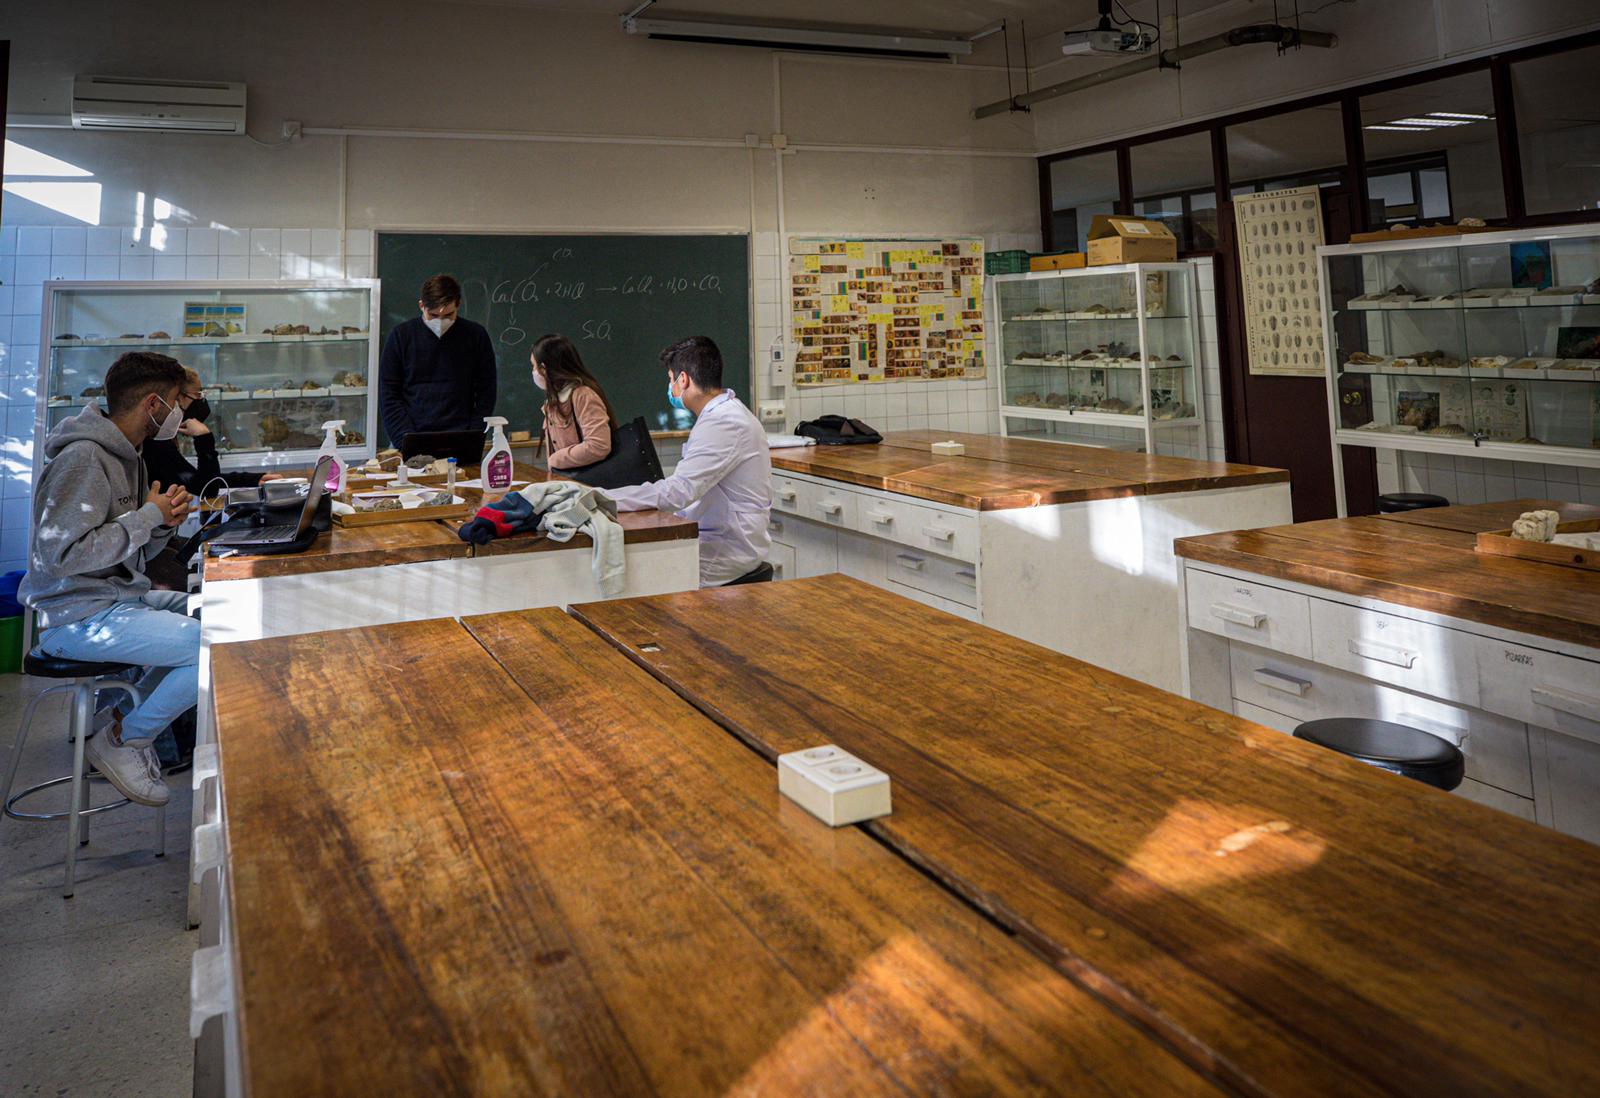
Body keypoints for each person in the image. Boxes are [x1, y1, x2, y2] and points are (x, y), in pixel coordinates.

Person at [19, 352, 200, 807]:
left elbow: (125, 554)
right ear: (154, 404)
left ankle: (120, 721)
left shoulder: (129, 456)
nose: (184, 412)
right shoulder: (84, 458)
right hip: (75, 616)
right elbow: (59, 556)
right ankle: (126, 741)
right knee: (208, 647)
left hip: (114, 598)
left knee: (212, 614)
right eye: (179, 401)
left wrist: (161, 524)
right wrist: (144, 518)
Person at [608, 336, 772, 587]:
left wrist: (603, 499)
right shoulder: (722, 415)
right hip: (721, 541)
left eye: (670, 380)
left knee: (633, 580)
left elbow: (678, 492)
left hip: (724, 555)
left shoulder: (724, 422)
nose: (670, 387)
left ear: (682, 379)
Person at [379, 273, 498, 445]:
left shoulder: (475, 336)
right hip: (411, 436)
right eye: (433, 316)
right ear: (421, 306)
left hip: (462, 436)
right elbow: (388, 393)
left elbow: (486, 390)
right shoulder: (400, 336)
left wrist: (473, 434)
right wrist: (405, 440)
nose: (441, 321)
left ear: (458, 305)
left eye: (449, 315)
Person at [144, 367, 284, 496]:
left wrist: (252, 479)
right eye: (198, 395)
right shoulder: (154, 443)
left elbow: (200, 479)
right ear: (178, 399)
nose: (201, 401)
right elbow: (207, 488)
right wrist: (203, 438)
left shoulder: (161, 439)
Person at [533, 333, 616, 471]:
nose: (534, 372)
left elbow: (598, 445)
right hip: (566, 482)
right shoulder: (554, 400)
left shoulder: (582, 395)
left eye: (534, 367)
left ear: (545, 368)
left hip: (590, 483)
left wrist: (555, 459)